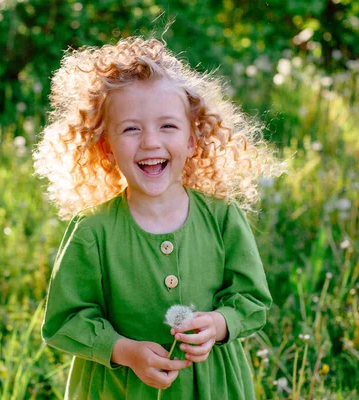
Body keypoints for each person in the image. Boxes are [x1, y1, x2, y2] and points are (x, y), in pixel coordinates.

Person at [33, 36, 285, 399]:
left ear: (192, 141)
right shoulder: (93, 230)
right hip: (120, 389)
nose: (150, 142)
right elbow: (64, 321)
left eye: (167, 126)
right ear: (106, 147)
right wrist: (123, 350)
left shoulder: (221, 216)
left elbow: (252, 299)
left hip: (212, 387)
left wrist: (219, 324)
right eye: (131, 129)